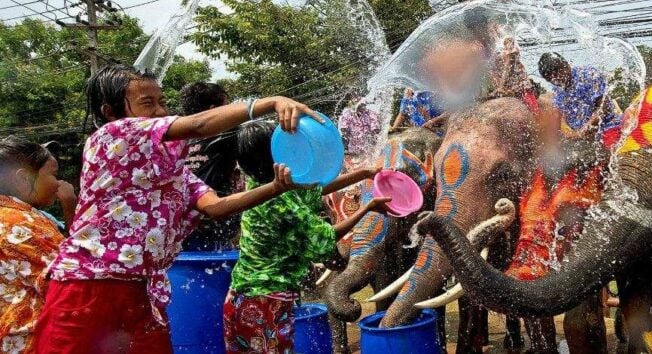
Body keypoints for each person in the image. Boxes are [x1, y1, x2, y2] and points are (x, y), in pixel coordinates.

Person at [35, 65, 321, 354]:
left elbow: (218, 207)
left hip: (142, 292)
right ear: (110, 112)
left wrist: (275, 187)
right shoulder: (111, 135)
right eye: (148, 104)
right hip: (89, 287)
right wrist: (270, 102)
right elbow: (197, 125)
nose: (160, 111)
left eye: (163, 102)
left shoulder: (173, 174)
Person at [224, 121, 391, 354]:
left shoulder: (260, 185)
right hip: (265, 301)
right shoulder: (279, 202)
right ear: (273, 154)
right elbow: (324, 239)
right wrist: (368, 208)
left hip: (242, 295)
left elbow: (316, 188)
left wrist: (363, 174)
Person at [0, 137, 75, 353]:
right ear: (23, 179)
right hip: (31, 343)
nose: (60, 183)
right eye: (53, 174)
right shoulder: (24, 224)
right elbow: (71, 281)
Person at [179, 82, 241, 251]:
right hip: (217, 218)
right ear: (215, 111)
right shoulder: (227, 133)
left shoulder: (176, 138)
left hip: (180, 222)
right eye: (226, 108)